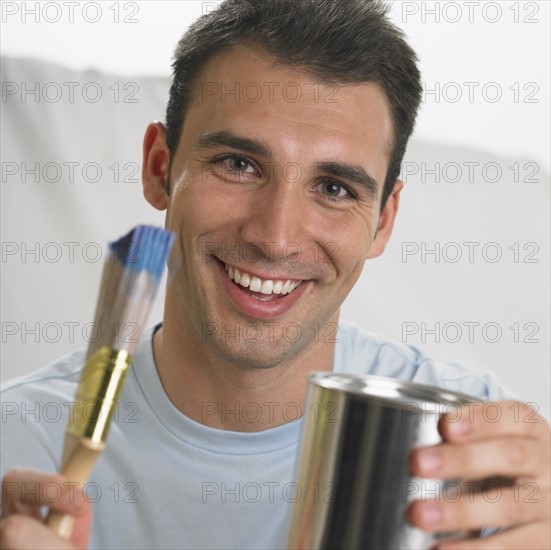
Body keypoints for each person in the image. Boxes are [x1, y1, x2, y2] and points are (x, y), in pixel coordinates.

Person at [1, 1, 549, 549]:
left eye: (334, 188)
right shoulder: (16, 446)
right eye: (239, 164)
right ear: (160, 168)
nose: (276, 237)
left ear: (383, 221)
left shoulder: (476, 451)